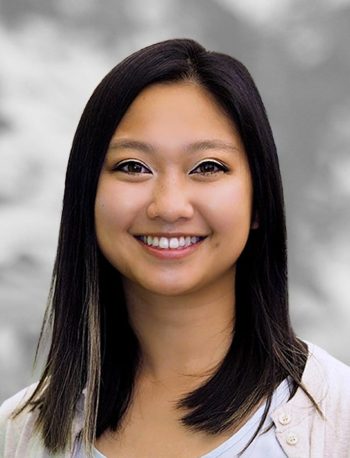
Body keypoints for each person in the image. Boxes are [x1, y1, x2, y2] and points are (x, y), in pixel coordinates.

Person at [1, 38, 350, 458]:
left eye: (208, 167)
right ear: (87, 197)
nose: (168, 206)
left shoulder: (338, 420)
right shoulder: (18, 434)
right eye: (133, 167)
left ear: (259, 201)